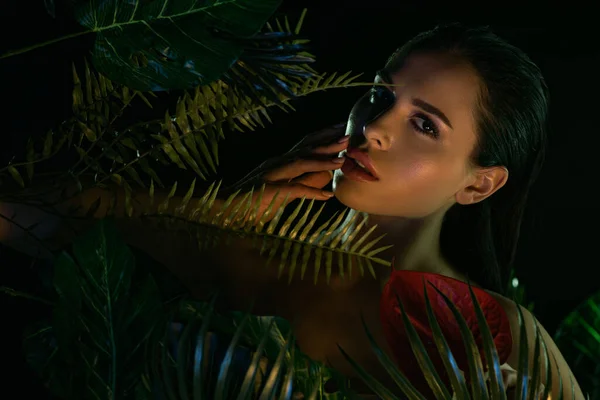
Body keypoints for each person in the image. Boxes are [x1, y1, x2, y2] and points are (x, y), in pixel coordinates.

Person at [0, 23, 584, 398]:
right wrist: (219, 213)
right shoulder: (230, 241)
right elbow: (21, 215)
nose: (376, 127)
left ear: (479, 186)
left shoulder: (494, 335)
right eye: (380, 95)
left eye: (425, 125)